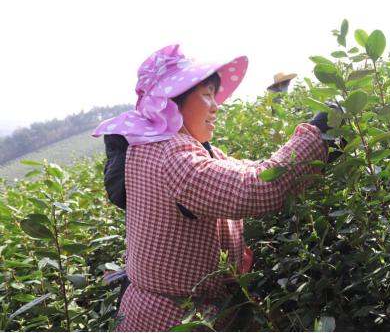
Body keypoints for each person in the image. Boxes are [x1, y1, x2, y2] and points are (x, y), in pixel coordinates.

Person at [92, 44, 335, 331]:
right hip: (175, 318)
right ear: (171, 102)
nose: (216, 105)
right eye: (207, 94)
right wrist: (321, 134)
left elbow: (244, 169)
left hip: (150, 311)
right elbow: (257, 188)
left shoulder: (150, 146)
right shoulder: (175, 156)